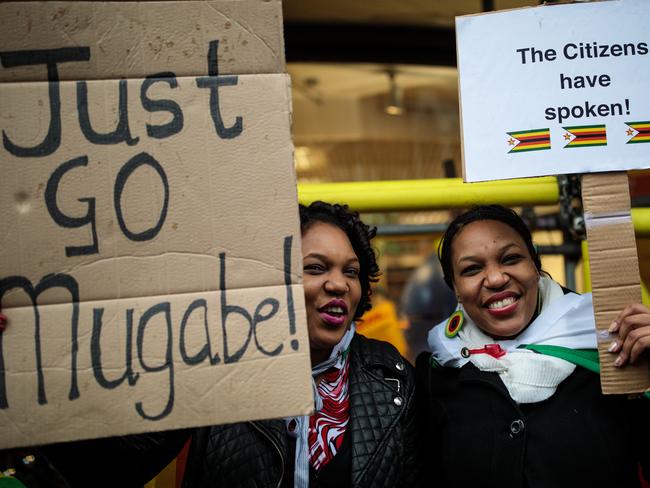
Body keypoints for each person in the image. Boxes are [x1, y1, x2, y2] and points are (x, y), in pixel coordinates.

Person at [1, 201, 419, 488]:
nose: (337, 284)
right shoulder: (217, 363)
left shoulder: (394, 378)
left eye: (351, 271)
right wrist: (18, 359)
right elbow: (113, 465)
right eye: (315, 268)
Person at [416, 204, 649, 488]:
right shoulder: (437, 373)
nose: (496, 278)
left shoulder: (613, 346)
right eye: (472, 269)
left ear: (535, 265)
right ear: (454, 287)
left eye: (511, 259)